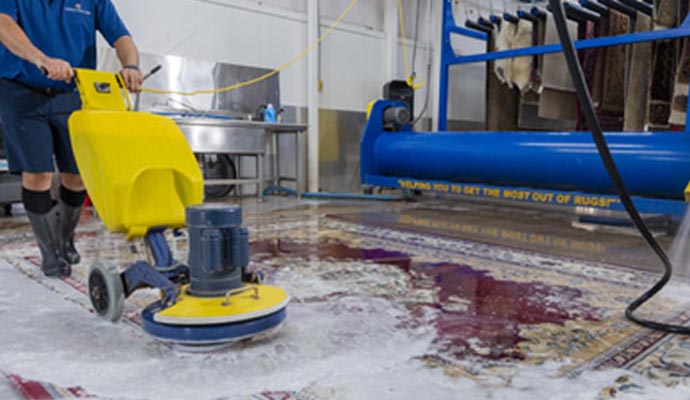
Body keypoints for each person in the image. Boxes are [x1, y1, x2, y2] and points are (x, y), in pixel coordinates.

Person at [0, 1, 143, 277]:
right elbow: (3, 24)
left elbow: (121, 36)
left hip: (74, 91)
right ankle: (50, 251)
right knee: (38, 174)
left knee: (76, 174)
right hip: (21, 91)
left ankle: (66, 239)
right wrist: (41, 59)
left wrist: (131, 65)